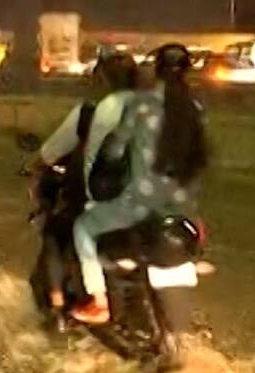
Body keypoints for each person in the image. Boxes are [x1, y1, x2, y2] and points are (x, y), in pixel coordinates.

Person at [70, 44, 208, 325]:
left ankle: (99, 301)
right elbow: (200, 157)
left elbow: (114, 151)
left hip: (142, 206)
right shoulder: (195, 108)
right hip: (185, 212)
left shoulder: (142, 106)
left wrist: (105, 166)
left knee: (83, 227)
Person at [28, 52, 138, 316]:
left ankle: (57, 309)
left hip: (98, 201)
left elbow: (50, 153)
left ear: (101, 80)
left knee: (55, 233)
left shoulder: (88, 115)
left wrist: (34, 167)